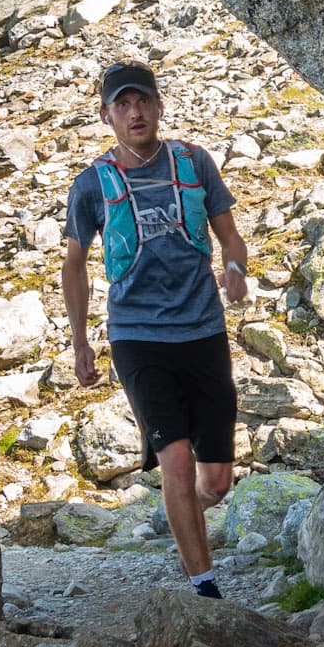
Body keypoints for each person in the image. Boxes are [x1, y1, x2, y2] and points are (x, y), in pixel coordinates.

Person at [62, 61, 250, 599]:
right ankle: (204, 585)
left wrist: (234, 270)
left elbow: (231, 236)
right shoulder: (92, 185)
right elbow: (73, 266)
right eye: (122, 104)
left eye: (142, 100)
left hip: (203, 331)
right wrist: (81, 342)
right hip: (137, 336)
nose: (135, 112)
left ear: (159, 106)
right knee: (175, 457)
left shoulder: (195, 163)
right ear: (106, 115)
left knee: (214, 480)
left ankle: (182, 511)